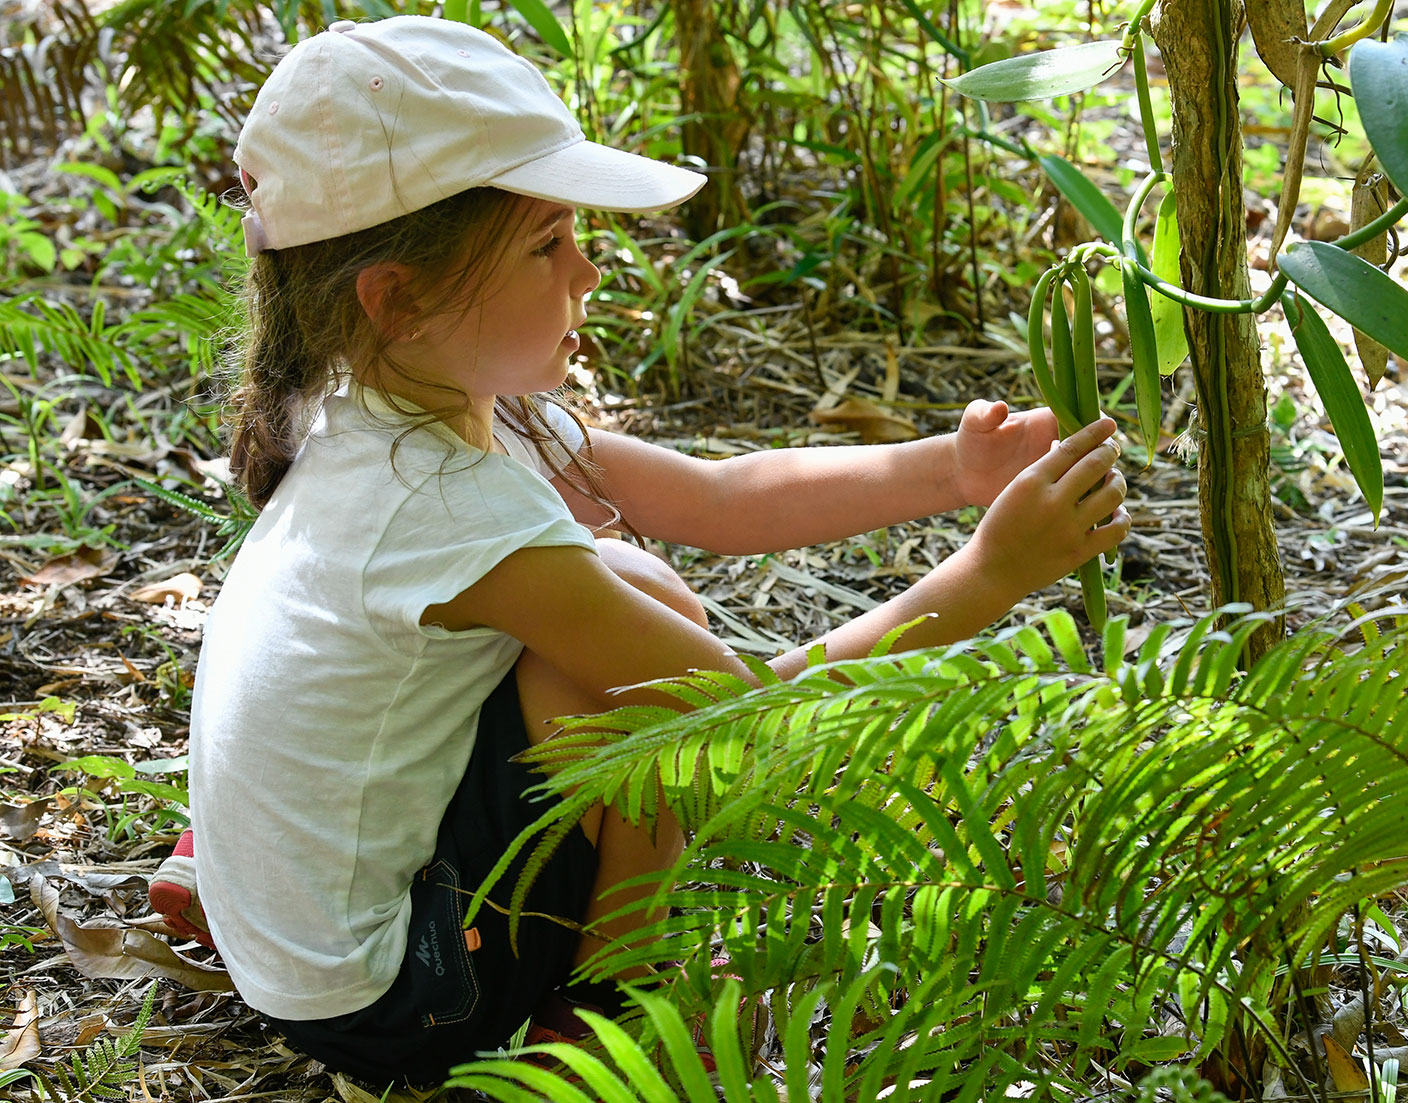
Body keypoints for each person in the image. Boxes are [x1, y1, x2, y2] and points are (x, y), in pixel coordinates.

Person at [157, 14, 1131, 1087]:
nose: (589, 268)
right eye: (546, 244)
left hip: (307, 929)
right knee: (634, 692)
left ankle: (229, 873)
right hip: (400, 989)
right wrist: (990, 574)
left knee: (624, 587)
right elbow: (743, 723)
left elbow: (718, 496)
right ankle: (610, 1011)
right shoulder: (442, 502)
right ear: (398, 296)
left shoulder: (389, 403)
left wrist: (949, 471)